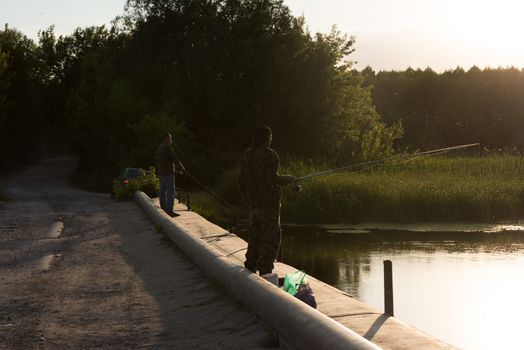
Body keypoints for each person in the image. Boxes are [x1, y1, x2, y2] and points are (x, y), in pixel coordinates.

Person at [238, 126, 296, 276]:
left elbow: (241, 181)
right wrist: (288, 179)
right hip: (269, 205)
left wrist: (248, 199)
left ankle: (250, 265)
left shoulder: (246, 155)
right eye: (270, 137)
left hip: (254, 204)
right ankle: (265, 270)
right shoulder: (269, 156)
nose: (271, 140)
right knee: (270, 238)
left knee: (255, 236)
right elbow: (272, 179)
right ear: (267, 138)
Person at [155, 133, 185, 217]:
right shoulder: (167, 147)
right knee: (170, 192)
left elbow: (157, 161)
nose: (171, 140)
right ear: (166, 138)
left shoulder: (158, 148)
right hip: (168, 173)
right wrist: (181, 167)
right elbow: (174, 157)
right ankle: (169, 211)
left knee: (162, 192)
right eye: (170, 138)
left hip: (161, 173)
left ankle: (163, 209)